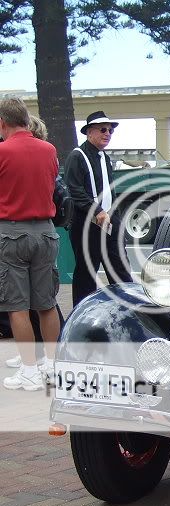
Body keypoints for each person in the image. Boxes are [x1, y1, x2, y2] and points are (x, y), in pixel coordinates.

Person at [0, 98, 61, 391]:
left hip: (11, 232)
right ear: (26, 119)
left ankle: (29, 371)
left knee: (17, 307)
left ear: (2, 122)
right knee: (47, 304)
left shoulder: (2, 151)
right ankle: (51, 365)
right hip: (46, 232)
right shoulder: (49, 150)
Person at [64, 111, 132, 306]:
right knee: (86, 273)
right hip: (86, 223)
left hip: (108, 221)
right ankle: (82, 313)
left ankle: (128, 309)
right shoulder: (77, 156)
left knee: (120, 267)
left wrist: (116, 220)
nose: (108, 133)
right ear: (89, 132)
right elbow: (75, 190)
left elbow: (110, 191)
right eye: (103, 129)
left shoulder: (105, 158)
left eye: (110, 130)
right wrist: (97, 211)